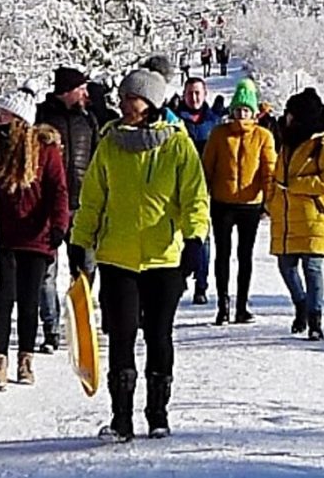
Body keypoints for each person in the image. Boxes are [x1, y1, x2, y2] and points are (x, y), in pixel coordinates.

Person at [70, 66, 209, 442]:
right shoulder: (110, 143)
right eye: (123, 97)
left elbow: (194, 198)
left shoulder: (178, 145)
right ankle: (121, 419)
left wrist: (195, 239)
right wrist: (80, 243)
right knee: (121, 337)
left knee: (160, 335)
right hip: (117, 259)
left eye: (131, 98)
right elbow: (93, 201)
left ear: (150, 102)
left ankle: (158, 414)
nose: (123, 104)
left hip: (165, 259)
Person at [0, 81, 69, 389]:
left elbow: (58, 191)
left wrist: (59, 224)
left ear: (19, 120)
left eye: (4, 115)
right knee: (2, 298)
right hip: (2, 236)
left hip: (37, 237)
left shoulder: (45, 152)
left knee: (29, 300)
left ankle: (25, 358)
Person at [266, 86, 324, 342]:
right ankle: (301, 303)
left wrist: (297, 186)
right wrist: (271, 200)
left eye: (289, 113)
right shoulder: (287, 144)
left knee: (312, 267)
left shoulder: (323, 143)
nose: (285, 117)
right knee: (286, 266)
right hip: (286, 216)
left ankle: (315, 319)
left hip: (314, 215)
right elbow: (277, 177)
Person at [34, 66, 100, 352]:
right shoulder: (42, 118)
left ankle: (80, 324)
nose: (86, 93)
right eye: (81, 88)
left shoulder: (89, 121)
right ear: (67, 91)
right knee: (47, 272)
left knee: (85, 268)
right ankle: (51, 330)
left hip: (83, 206)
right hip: (48, 207)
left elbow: (98, 161)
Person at [202, 79, 276, 325]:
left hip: (250, 204)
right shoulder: (219, 134)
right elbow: (207, 167)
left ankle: (241, 305)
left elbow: (268, 170)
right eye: (238, 109)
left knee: (246, 256)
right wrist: (203, 196)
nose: (241, 114)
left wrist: (268, 201)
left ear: (254, 112)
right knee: (222, 255)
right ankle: (223, 305)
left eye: (246, 109)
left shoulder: (263, 136)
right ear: (232, 110)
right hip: (222, 202)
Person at [176, 77, 221, 304]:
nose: (194, 98)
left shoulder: (214, 121)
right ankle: (180, 276)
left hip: (206, 186)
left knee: (203, 235)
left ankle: (201, 284)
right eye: (190, 93)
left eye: (198, 93)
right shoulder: (174, 121)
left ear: (205, 94)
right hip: (178, 185)